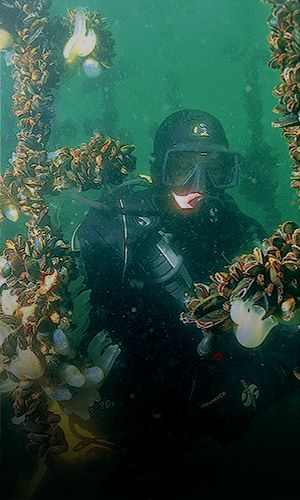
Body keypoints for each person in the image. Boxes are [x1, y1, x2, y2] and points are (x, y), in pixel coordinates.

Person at [74, 109, 300, 499]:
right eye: (182, 166)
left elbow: (284, 330)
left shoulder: (242, 232)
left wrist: (257, 385)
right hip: (134, 401)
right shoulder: (120, 227)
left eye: (214, 167)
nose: (200, 183)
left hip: (216, 395)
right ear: (158, 168)